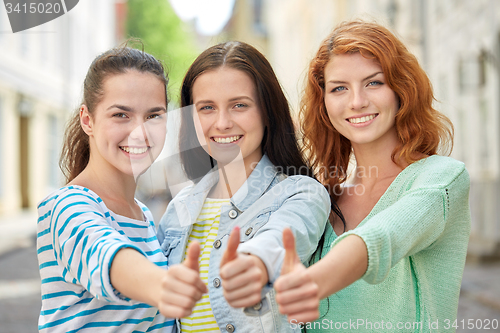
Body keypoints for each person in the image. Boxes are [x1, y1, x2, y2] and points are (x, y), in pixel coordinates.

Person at [274, 20, 471, 332]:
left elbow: (381, 238)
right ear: (324, 104)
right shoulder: (323, 197)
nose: (356, 102)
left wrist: (311, 283)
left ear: (401, 89)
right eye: (339, 88)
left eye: (374, 83)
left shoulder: (441, 179)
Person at [157, 41, 330, 333]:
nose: (222, 123)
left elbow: (282, 239)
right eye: (207, 108)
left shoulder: (301, 193)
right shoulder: (178, 209)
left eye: (239, 105)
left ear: (267, 112)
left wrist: (255, 264)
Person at [36, 46, 207, 333]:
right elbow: (106, 253)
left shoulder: (142, 214)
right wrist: (164, 285)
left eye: (154, 116)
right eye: (121, 115)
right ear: (87, 119)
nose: (139, 132)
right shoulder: (66, 207)